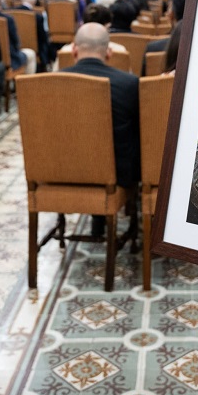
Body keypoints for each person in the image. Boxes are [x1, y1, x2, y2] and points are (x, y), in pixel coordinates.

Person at [60, 23, 140, 238]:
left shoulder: (47, 85)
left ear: (74, 50)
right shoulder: (130, 84)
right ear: (109, 52)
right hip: (115, 176)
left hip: (59, 173)